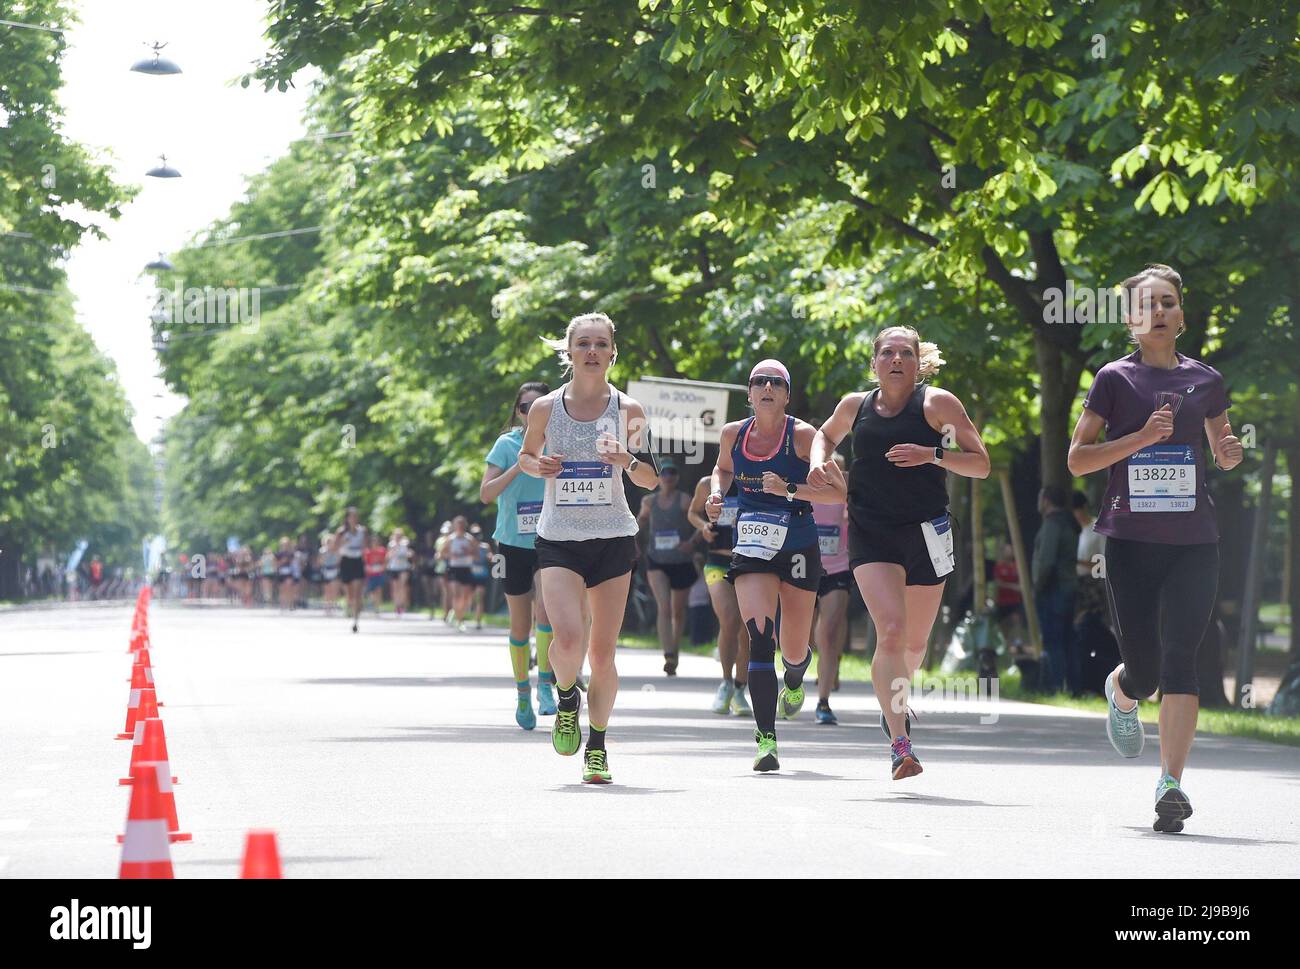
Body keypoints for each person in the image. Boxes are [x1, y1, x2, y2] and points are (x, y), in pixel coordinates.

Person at [1067, 263, 1242, 833]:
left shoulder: (1207, 381)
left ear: (1182, 315)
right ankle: (1122, 690)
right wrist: (1140, 439)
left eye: (1169, 303)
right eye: (1148, 305)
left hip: (1195, 541)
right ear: (1132, 320)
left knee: (1181, 658)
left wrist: (1231, 451)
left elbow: (1222, 447)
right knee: (1145, 672)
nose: (1160, 312)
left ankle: (1171, 782)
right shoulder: (1114, 380)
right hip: (1132, 542)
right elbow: (1077, 458)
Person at [810, 325, 990, 780]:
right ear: (874, 364)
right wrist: (818, 463)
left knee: (912, 644)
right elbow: (824, 436)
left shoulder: (937, 405)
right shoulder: (855, 407)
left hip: (927, 533)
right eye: (887, 353)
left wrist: (933, 454)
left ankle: (895, 699)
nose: (895, 360)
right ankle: (900, 742)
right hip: (871, 531)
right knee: (889, 631)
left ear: (917, 363)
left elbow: (981, 463)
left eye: (904, 354)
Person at [519, 312, 661, 784]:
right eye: (584, 344)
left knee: (602, 654)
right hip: (559, 536)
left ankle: (597, 746)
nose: (593, 351)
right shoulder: (543, 408)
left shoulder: (630, 411)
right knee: (568, 639)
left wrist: (627, 459)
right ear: (570, 352)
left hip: (614, 537)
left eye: (601, 343)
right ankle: (565, 697)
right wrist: (539, 466)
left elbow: (651, 478)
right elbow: (526, 455)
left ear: (612, 352)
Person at [705, 359, 847, 772]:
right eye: (758, 382)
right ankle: (766, 740)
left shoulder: (803, 437)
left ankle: (798, 675)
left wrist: (789, 489)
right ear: (749, 393)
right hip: (751, 544)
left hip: (800, 542)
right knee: (759, 635)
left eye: (776, 383)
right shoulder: (732, 434)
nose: (766, 387)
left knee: (795, 647)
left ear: (786, 395)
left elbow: (839, 494)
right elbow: (723, 469)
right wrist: (717, 494)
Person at [481, 381, 557, 730]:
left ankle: (545, 685)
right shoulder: (507, 444)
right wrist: (521, 465)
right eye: (525, 407)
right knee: (519, 623)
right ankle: (522, 693)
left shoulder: (559, 442)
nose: (530, 413)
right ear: (518, 411)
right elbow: (486, 493)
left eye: (538, 406)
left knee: (546, 611)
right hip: (512, 542)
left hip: (550, 537)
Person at [688, 475, 751, 716]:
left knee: (747, 628)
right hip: (717, 561)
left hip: (747, 561)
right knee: (729, 619)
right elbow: (692, 512)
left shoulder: (753, 480)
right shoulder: (707, 484)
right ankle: (725, 682)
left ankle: (739, 688)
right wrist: (702, 526)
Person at [637, 459, 698, 676]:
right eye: (663, 473)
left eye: (672, 473)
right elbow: (639, 524)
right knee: (664, 607)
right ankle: (668, 654)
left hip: (681, 560)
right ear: (658, 477)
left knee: (677, 611)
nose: (667, 477)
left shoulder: (684, 500)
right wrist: (631, 542)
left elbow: (701, 521)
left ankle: (676, 650)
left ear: (677, 477)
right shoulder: (648, 501)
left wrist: (692, 542)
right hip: (656, 560)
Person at [812, 453, 852, 725]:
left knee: (827, 634)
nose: (830, 475)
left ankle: (823, 701)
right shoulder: (805, 488)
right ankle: (792, 681)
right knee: (801, 639)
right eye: (825, 469)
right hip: (804, 567)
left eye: (836, 470)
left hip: (838, 569)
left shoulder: (848, 491)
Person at [1032, 485, 1080, 694]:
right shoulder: (1070, 523)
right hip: (1068, 587)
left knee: (1053, 639)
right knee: (1068, 639)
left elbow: (1047, 561)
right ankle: (1072, 686)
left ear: (1046, 500)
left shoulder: (1052, 524)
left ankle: (1054, 686)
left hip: (1054, 590)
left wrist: (1039, 586)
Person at [335, 508, 367, 633]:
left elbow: (365, 547)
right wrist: (343, 542)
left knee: (357, 592)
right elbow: (334, 548)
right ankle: (350, 607)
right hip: (346, 561)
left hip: (357, 561)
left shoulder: (362, 531)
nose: (354, 519)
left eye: (355, 516)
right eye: (351, 516)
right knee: (350, 595)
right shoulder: (341, 532)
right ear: (347, 518)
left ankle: (356, 621)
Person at [387, 527, 413, 617]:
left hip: (403, 567)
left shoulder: (405, 544)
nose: (398, 537)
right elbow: (389, 556)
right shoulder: (391, 544)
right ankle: (397, 605)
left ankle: (402, 605)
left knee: (403, 586)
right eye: (396, 535)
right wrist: (394, 550)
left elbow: (409, 554)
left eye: (399, 536)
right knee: (395, 588)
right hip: (394, 568)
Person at [363, 532, 388, 613]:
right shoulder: (367, 552)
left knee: (379, 590)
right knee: (372, 591)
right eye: (373, 541)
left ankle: (377, 607)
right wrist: (369, 569)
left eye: (376, 541)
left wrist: (382, 568)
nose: (374, 542)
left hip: (379, 573)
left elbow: (385, 561)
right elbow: (365, 563)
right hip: (370, 574)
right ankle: (373, 604)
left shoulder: (382, 550)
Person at [320, 534, 341, 615]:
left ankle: (333, 606)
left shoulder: (337, 551)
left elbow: (339, 561)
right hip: (326, 571)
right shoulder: (322, 551)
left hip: (334, 571)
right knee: (327, 591)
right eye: (328, 542)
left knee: (334, 590)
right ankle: (326, 608)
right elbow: (321, 562)